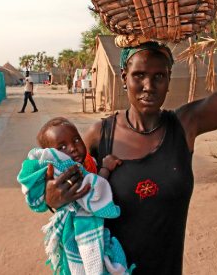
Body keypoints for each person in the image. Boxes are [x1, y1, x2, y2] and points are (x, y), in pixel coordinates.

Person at [42, 0, 217, 274]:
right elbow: (65, 190)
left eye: (159, 76)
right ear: (124, 77)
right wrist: (52, 197)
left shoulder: (186, 125)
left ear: (168, 78)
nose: (148, 86)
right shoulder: (101, 135)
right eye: (139, 75)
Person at [17, 118, 133, 275]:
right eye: (62, 146)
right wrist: (105, 168)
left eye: (77, 139)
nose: (73, 148)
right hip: (77, 229)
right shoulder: (66, 170)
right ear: (52, 154)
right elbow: (92, 190)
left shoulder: (88, 162)